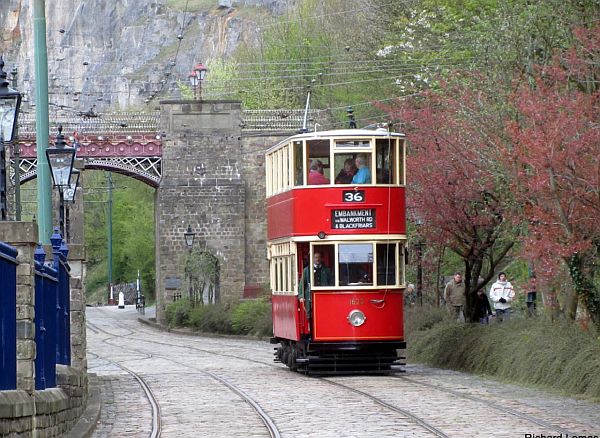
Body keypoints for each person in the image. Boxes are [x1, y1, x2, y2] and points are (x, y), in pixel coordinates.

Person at [299, 251, 332, 316]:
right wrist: (301, 296)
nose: (318, 259)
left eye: (319, 257)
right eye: (316, 257)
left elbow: (331, 282)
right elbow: (302, 284)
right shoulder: (307, 270)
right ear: (313, 259)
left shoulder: (326, 270)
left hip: (324, 297)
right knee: (310, 315)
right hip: (310, 298)